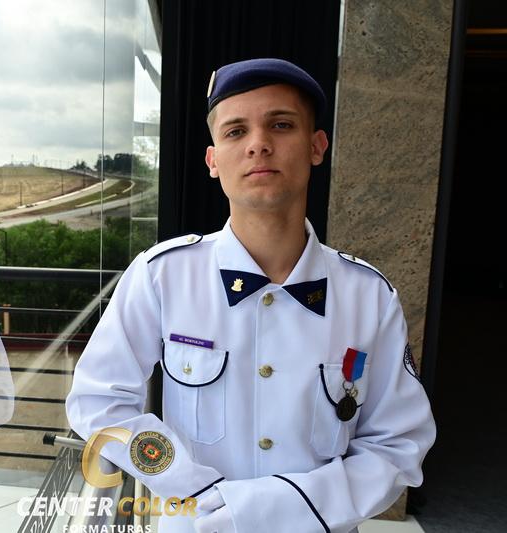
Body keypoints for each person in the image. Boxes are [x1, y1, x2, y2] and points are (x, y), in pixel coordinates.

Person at [65, 58, 436, 533]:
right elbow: (99, 402)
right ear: (213, 160)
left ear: (317, 146)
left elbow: (398, 443)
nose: (258, 144)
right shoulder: (162, 277)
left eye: (281, 125)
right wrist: (192, 488)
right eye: (236, 131)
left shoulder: (368, 297)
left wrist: (280, 507)